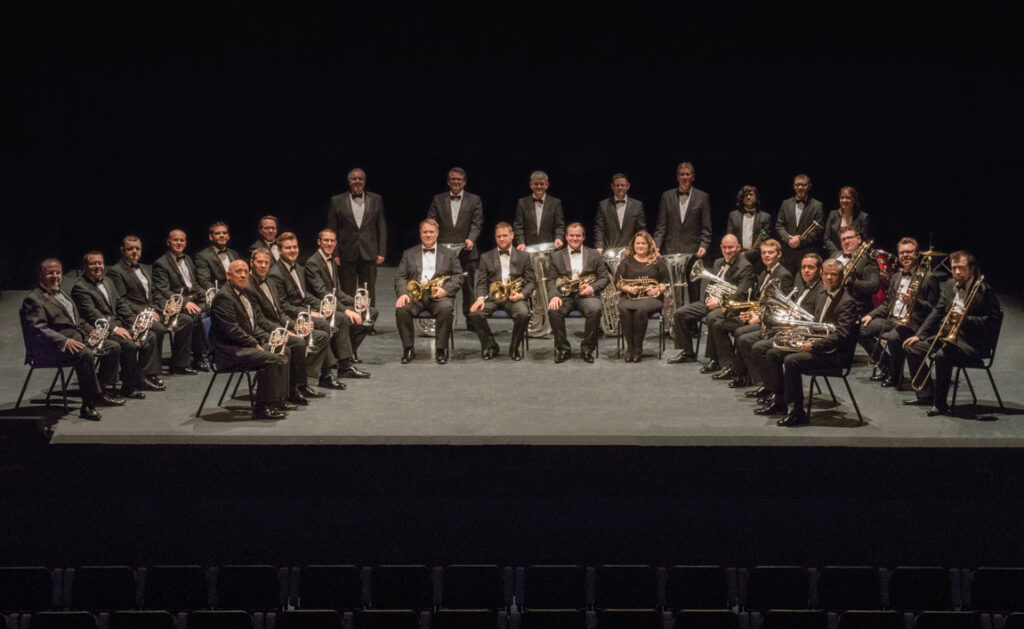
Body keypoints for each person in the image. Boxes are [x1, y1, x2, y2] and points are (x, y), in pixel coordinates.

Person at [20, 259, 125, 420]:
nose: (55, 276)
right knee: (85, 355)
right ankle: (88, 404)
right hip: (51, 349)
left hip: (77, 340)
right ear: (41, 274)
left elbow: (78, 321)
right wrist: (64, 341)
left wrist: (91, 332)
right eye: (50, 273)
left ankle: (101, 391)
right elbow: (38, 329)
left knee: (114, 346)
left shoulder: (62, 293)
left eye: (58, 273)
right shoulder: (33, 299)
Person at [902, 251, 1002, 416]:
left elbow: (993, 322)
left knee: (942, 355)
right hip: (948, 338)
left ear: (971, 268)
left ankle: (940, 404)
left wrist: (966, 319)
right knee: (912, 347)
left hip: (971, 344)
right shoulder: (949, 286)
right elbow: (937, 312)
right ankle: (926, 394)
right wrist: (919, 335)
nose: (957, 272)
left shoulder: (984, 290)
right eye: (954, 268)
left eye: (961, 268)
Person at [762, 258, 860, 425]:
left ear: (842, 277)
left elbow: (841, 336)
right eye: (826, 274)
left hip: (834, 355)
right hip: (818, 347)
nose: (829, 278)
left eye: (834, 275)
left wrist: (812, 344)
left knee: (792, 361)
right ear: (822, 275)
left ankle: (798, 411)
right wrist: (797, 333)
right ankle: (779, 401)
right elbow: (816, 324)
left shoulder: (847, 302)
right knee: (772, 353)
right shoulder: (822, 295)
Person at [209, 260, 292, 420]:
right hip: (228, 352)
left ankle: (279, 400)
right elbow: (233, 331)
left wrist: (267, 338)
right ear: (228, 275)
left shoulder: (244, 292)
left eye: (246, 272)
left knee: (284, 349)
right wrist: (255, 344)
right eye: (238, 271)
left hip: (242, 346)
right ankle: (263, 408)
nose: (243, 275)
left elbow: (252, 325)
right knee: (273, 358)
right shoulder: (223, 297)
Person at [71, 251, 159, 400]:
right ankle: (126, 386)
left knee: (149, 335)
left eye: (100, 263)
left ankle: (141, 378)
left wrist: (134, 321)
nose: (97, 266)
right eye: (93, 263)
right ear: (85, 266)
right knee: (128, 345)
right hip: (99, 329)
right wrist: (115, 329)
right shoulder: (80, 288)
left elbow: (119, 304)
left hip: (117, 323)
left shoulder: (107, 281)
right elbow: (92, 314)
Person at [266, 232, 348, 390]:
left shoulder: (297, 267)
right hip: (290, 317)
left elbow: (304, 295)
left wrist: (321, 306)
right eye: (288, 248)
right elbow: (283, 306)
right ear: (279, 250)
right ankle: (320, 376)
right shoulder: (276, 273)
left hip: (302, 309)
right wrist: (309, 313)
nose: (292, 250)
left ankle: (323, 373)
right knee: (324, 326)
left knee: (332, 320)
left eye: (295, 247)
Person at [248, 248, 328, 404]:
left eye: (266, 262)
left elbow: (279, 313)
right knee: (298, 342)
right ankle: (293, 390)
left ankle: (301, 383)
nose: (263, 265)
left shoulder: (269, 281)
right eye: (259, 262)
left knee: (321, 336)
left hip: (279, 326)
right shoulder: (249, 286)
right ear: (251, 262)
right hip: (265, 332)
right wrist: (288, 333)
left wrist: (295, 325)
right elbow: (260, 320)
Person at [744, 253, 825, 408]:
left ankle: (777, 394)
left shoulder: (820, 291)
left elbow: (815, 320)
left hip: (804, 336)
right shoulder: (804, 287)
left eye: (811, 267)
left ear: (819, 270)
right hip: (795, 330)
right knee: (757, 345)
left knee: (762, 348)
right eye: (803, 267)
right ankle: (773, 390)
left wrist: (789, 323)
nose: (806, 270)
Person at [859, 237, 939, 388]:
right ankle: (887, 366)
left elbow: (935, 309)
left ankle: (896, 377)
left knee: (894, 338)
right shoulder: (896, 277)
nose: (905, 255)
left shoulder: (928, 278)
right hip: (893, 318)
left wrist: (915, 302)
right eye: (902, 252)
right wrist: (871, 315)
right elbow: (888, 305)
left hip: (914, 322)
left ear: (917, 254)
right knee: (861, 330)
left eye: (909, 252)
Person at [667, 234, 755, 370]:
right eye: (724, 247)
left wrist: (719, 302)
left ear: (738, 248)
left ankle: (715, 359)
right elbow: (711, 286)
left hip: (731, 306)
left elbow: (741, 294)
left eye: (730, 247)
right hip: (712, 302)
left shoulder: (746, 266)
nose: (727, 251)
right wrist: (709, 298)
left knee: (712, 317)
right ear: (720, 247)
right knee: (680, 313)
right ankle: (688, 353)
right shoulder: (718, 262)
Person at [721, 239, 794, 388]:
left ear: (779, 254)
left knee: (742, 337)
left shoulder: (784, 275)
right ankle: (743, 375)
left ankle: (761, 381)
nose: (766, 255)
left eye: (770, 252)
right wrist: (750, 313)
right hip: (763, 317)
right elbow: (760, 300)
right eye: (764, 252)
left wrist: (759, 318)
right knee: (739, 333)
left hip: (775, 324)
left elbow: (782, 307)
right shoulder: (763, 273)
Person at [105, 235, 174, 387]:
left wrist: (161, 309)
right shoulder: (116, 271)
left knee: (180, 320)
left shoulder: (143, 268)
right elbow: (121, 300)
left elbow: (152, 293)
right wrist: (145, 313)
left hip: (151, 310)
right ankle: (147, 374)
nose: (134, 252)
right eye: (130, 249)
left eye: (137, 249)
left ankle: (167, 366)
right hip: (131, 316)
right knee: (158, 330)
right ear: (123, 250)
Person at [304, 228, 371, 378]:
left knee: (370, 312)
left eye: (332, 241)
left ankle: (343, 354)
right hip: (320, 305)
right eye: (326, 240)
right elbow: (323, 293)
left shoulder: (332, 261)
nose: (329, 243)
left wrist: (356, 301)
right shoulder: (312, 263)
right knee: (344, 317)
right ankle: (345, 363)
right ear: (319, 242)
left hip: (332, 302)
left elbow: (337, 292)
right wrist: (347, 310)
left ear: (335, 243)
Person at [395, 218, 464, 364]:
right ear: (420, 234)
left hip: (439, 297)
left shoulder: (449, 254)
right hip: (415, 297)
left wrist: (445, 290)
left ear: (437, 233)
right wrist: (402, 294)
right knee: (402, 309)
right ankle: (408, 349)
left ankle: (440, 349)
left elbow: (458, 276)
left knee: (446, 308)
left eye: (431, 232)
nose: (428, 235)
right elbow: (400, 277)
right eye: (425, 232)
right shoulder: (409, 253)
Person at [469, 222, 535, 361]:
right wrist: (480, 298)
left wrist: (521, 295)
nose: (502, 239)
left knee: (523, 314)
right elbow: (481, 282)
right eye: (499, 236)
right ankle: (490, 345)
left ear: (512, 235)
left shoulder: (524, 256)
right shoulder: (486, 257)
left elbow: (531, 282)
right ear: (495, 237)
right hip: (493, 297)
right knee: (475, 313)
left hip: (514, 297)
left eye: (505, 235)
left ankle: (514, 347)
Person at [326, 168, 387, 313]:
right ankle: (351, 323)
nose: (357, 181)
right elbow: (332, 229)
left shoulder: (376, 199)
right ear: (349, 181)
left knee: (369, 290)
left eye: (360, 179)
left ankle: (368, 321)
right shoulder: (337, 201)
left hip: (369, 252)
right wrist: (335, 253)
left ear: (365, 181)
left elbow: (381, 226)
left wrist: (381, 251)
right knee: (347, 291)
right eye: (354, 179)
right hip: (346, 253)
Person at [547, 223, 609, 363]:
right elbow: (551, 280)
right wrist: (554, 296)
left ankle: (587, 348)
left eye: (578, 235)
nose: (575, 238)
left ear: (583, 237)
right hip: (564, 295)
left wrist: (592, 288)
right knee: (554, 310)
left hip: (586, 295)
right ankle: (563, 350)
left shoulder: (594, 254)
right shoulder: (556, 256)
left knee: (595, 309)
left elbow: (604, 278)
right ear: (566, 237)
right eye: (571, 235)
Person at [427, 167, 482, 323]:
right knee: (441, 285)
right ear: (448, 181)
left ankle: (471, 320)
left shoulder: (474, 200)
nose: (456, 182)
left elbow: (477, 223)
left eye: (459, 179)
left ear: (464, 182)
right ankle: (443, 318)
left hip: (467, 251)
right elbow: (431, 221)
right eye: (453, 179)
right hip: (444, 252)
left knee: (468, 288)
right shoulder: (438, 199)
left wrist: (471, 238)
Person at [151, 229, 211, 372]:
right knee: (196, 316)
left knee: (215, 307)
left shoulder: (188, 259)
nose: (179, 243)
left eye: (182, 240)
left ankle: (209, 354)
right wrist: (185, 303)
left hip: (193, 299)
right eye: (175, 240)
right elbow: (164, 291)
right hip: (174, 304)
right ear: (168, 242)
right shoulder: (161, 263)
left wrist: (208, 296)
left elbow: (193, 286)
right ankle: (192, 359)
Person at [653, 162, 712, 303]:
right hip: (672, 252)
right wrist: (656, 246)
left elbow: (706, 226)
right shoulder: (666, 196)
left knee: (694, 291)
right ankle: (674, 323)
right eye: (682, 174)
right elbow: (661, 225)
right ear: (677, 177)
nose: (685, 177)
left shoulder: (703, 197)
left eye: (688, 174)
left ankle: (692, 324)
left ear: (693, 176)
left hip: (694, 252)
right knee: (672, 292)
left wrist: (704, 245)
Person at [614, 231, 669, 362]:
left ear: (649, 245)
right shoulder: (626, 262)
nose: (640, 246)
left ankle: (638, 348)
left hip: (652, 299)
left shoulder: (657, 261)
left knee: (640, 311)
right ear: (633, 245)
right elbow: (618, 282)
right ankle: (630, 348)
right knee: (624, 310)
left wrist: (657, 289)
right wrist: (628, 288)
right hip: (629, 297)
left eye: (643, 243)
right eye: (637, 243)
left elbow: (666, 282)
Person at [775, 174, 824, 274]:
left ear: (809, 186)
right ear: (793, 186)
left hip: (807, 255)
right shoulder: (786, 204)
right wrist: (788, 238)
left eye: (803, 185)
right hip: (787, 255)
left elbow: (818, 230)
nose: (800, 187)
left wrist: (800, 240)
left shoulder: (817, 205)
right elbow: (779, 225)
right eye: (797, 185)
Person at [831, 227, 880, 317]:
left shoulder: (868, 260)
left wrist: (850, 281)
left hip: (853, 307)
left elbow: (873, 286)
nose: (846, 241)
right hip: (831, 301)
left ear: (859, 239)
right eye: (843, 239)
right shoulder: (835, 255)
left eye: (850, 238)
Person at [594, 173, 645, 254]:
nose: (620, 187)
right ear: (612, 187)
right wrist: (599, 246)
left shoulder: (637, 205)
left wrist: (640, 245)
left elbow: (641, 229)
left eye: (622, 185)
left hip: (630, 251)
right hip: (609, 251)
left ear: (627, 186)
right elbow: (599, 228)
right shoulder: (603, 205)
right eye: (617, 185)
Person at [513, 171, 565, 250]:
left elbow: (559, 225)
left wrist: (559, 238)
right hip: (527, 248)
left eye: (542, 184)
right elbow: (518, 226)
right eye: (536, 184)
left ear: (547, 185)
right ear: (531, 185)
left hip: (549, 248)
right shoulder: (522, 203)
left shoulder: (556, 203)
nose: (539, 186)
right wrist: (520, 242)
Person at [725, 185, 773, 268]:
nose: (748, 197)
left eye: (751, 194)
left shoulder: (765, 217)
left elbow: (765, 237)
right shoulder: (733, 215)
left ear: (756, 197)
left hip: (757, 258)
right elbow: (730, 236)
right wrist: (739, 252)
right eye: (745, 195)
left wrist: (749, 254)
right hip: (737, 257)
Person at [823, 186, 871, 259]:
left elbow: (864, 240)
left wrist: (853, 254)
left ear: (854, 200)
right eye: (842, 198)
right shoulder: (833, 215)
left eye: (848, 198)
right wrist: (837, 254)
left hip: (856, 258)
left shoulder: (863, 217)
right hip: (835, 256)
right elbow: (827, 238)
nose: (844, 200)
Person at [195, 221, 241, 291]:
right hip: (219, 294)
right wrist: (219, 294)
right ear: (211, 237)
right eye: (217, 233)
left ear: (228, 236)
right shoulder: (202, 256)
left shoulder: (234, 253)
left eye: (224, 233)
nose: (222, 235)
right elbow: (205, 282)